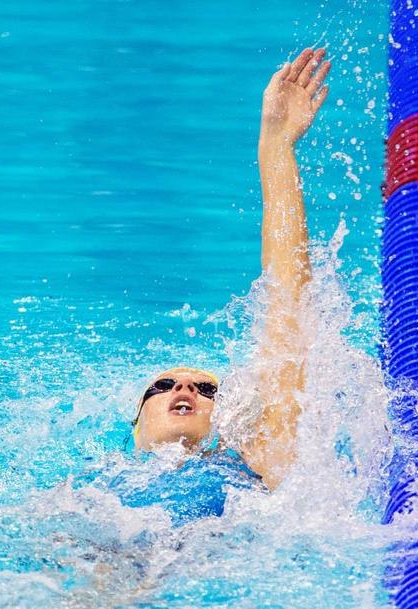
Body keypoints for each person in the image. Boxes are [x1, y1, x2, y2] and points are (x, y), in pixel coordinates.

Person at [127, 47, 332, 505]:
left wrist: (276, 146)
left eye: (207, 390)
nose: (183, 389)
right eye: (162, 387)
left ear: (231, 421)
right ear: (135, 422)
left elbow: (286, 301)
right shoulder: (85, 487)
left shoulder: (256, 464)